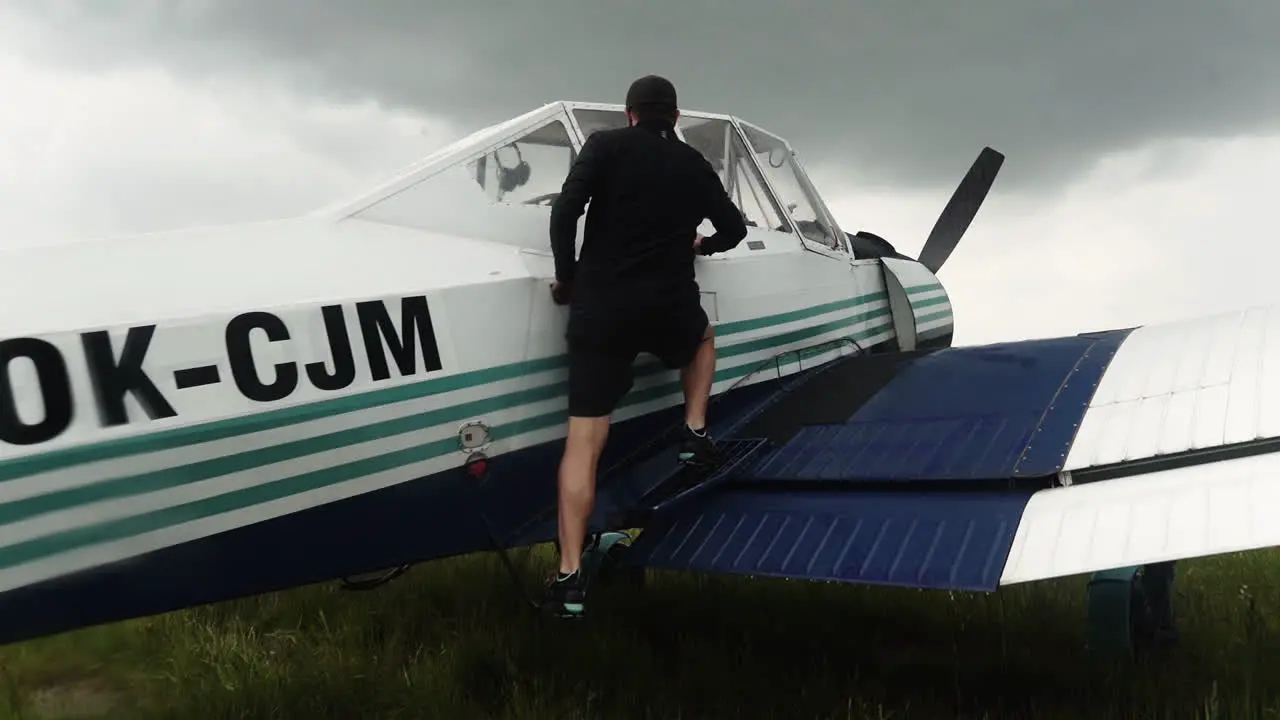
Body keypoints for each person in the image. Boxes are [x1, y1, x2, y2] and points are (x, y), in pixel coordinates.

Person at [542, 75, 748, 618]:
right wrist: (702, 242)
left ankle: (568, 579)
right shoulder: (692, 164)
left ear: (629, 114)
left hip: (601, 310)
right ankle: (696, 431)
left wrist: (568, 278)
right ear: (674, 118)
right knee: (703, 338)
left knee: (583, 443)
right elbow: (735, 229)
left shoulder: (604, 146)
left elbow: (565, 212)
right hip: (666, 305)